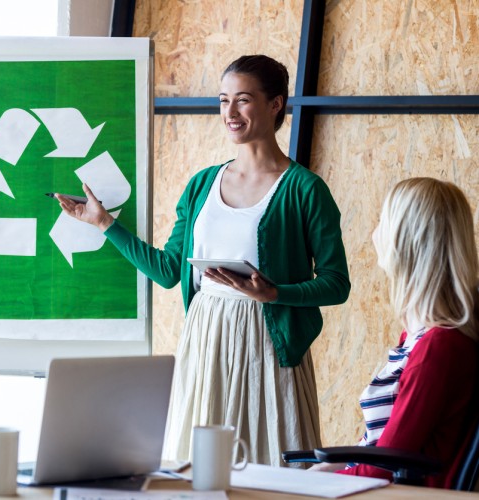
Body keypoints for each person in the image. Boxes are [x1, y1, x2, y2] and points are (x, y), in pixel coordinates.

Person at [57, 55, 350, 465]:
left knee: (273, 459)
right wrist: (105, 223)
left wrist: (274, 292)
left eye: (243, 100)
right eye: (223, 100)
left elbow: (337, 283)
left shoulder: (305, 189)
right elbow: (166, 271)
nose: (229, 112)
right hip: (206, 338)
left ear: (275, 105)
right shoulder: (201, 186)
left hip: (268, 343)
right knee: (199, 466)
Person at [311, 177, 479, 488]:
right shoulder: (420, 339)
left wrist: (315, 484)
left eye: (382, 222)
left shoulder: (438, 349)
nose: (374, 233)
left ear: (406, 242)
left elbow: (383, 467)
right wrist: (326, 469)